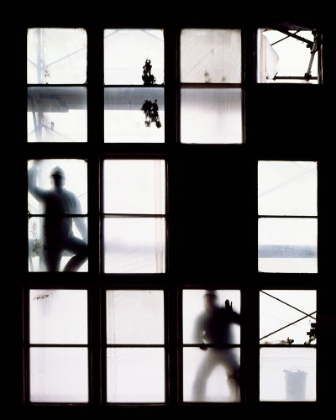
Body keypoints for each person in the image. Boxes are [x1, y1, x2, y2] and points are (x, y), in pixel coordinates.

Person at [28, 163, 88, 272]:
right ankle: (67, 274)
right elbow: (79, 221)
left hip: (56, 241)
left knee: (86, 250)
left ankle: (66, 274)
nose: (57, 180)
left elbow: (79, 221)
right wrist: (87, 237)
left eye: (58, 177)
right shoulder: (69, 197)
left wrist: (34, 168)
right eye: (56, 177)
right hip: (58, 241)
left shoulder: (47, 195)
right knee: (54, 276)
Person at [192, 290, 241, 402]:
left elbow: (242, 321)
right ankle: (238, 401)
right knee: (236, 377)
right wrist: (200, 342)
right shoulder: (207, 316)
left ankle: (237, 400)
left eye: (211, 300)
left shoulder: (207, 316)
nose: (210, 302)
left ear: (214, 300)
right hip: (218, 352)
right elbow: (196, 335)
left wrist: (231, 313)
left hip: (222, 352)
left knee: (237, 377)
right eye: (208, 300)